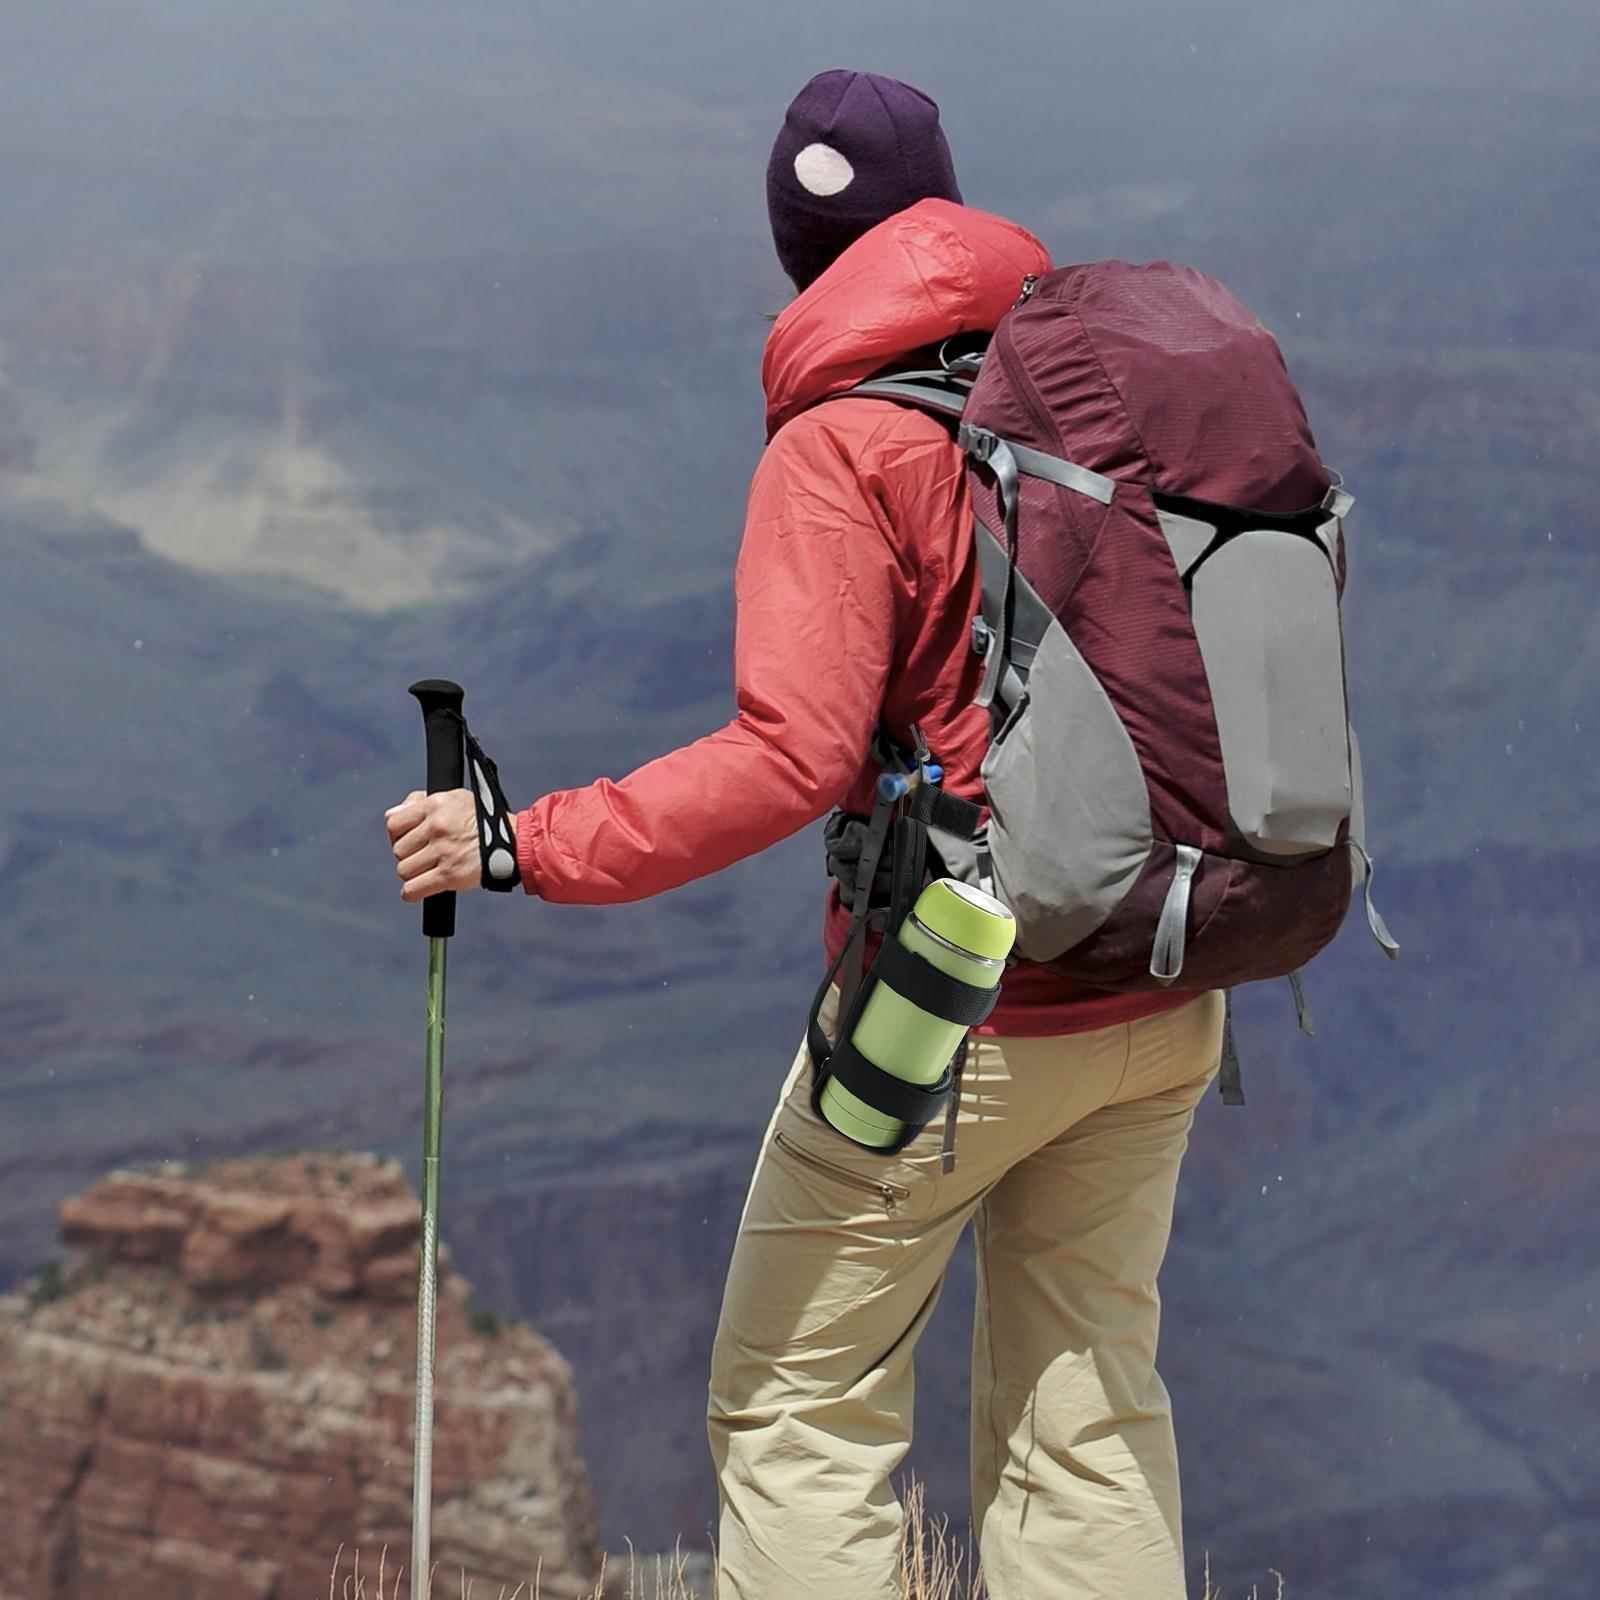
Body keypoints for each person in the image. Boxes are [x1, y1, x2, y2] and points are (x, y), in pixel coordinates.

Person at [385, 68, 1223, 1600]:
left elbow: (793, 757)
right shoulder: (1091, 393)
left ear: (797, 248)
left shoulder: (842, 447)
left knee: (797, 1410)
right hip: (1168, 973)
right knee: (1086, 1414)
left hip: (957, 1007)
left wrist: (527, 844)